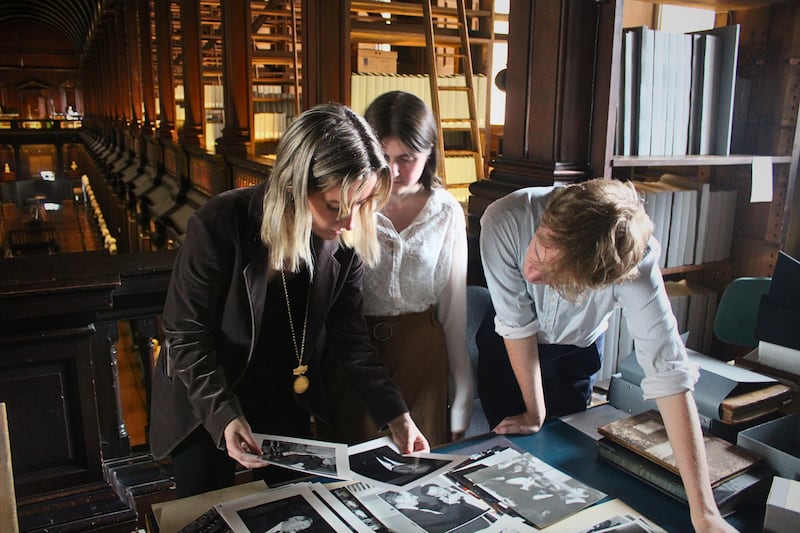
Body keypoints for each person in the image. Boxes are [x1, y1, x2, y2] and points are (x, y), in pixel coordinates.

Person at [149, 103, 429, 498]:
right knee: (203, 510)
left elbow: (351, 340)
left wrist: (396, 416)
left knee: (294, 510)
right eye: (335, 206)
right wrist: (225, 417)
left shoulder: (344, 238)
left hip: (285, 395)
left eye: (362, 203)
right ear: (294, 187)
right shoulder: (218, 224)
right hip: (205, 397)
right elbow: (186, 337)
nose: (350, 222)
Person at [478, 178, 736, 533]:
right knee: (502, 470)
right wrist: (534, 413)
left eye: (554, 276)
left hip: (574, 355)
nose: (531, 272)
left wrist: (705, 512)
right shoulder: (505, 218)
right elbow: (516, 323)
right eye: (537, 248)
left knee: (562, 476)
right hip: (507, 351)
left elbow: (669, 371)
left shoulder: (634, 263)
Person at [325, 90, 472, 446]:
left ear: (430, 149)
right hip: (354, 354)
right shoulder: (349, 206)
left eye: (406, 157)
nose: (393, 170)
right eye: (383, 157)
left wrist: (463, 399)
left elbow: (453, 312)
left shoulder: (446, 211)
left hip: (422, 354)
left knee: (418, 470)